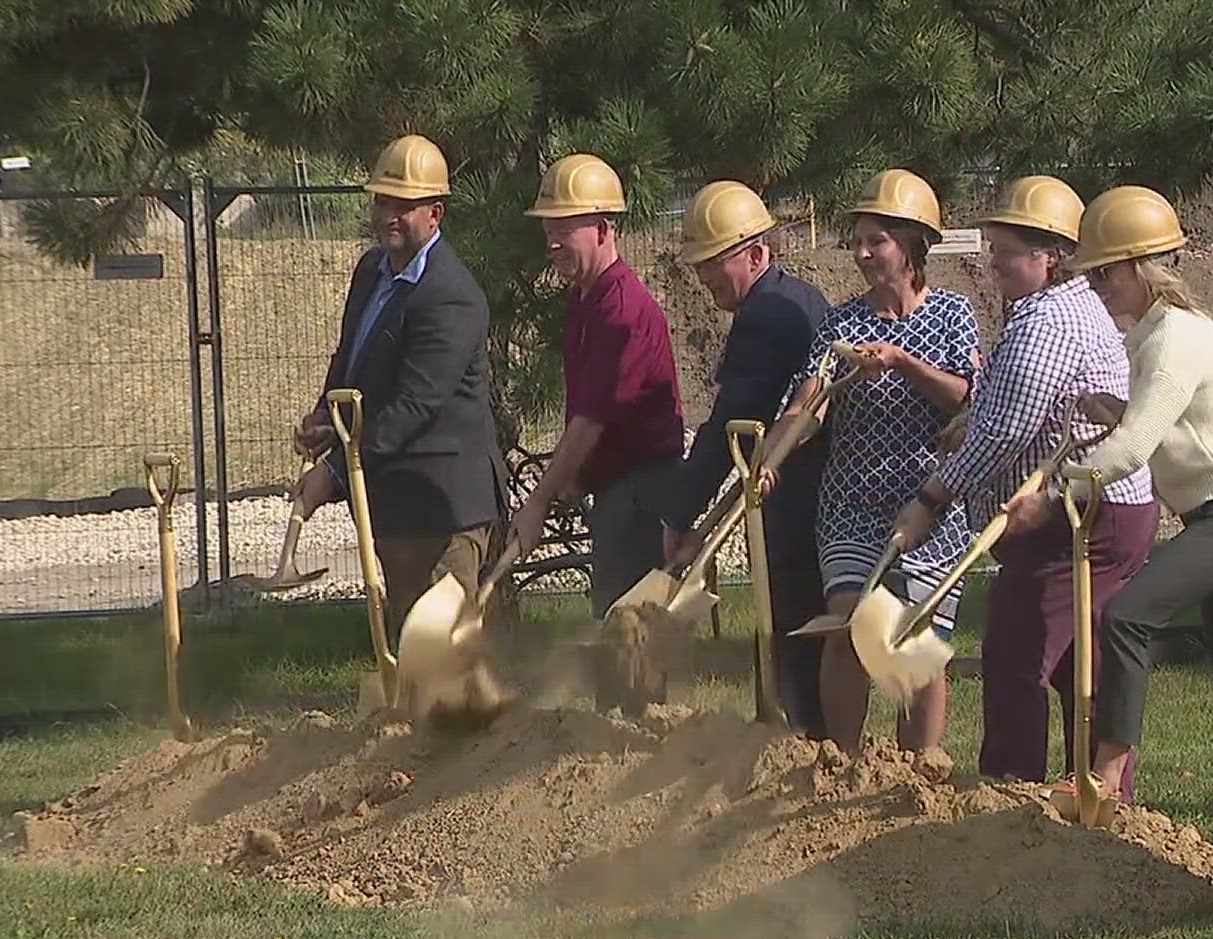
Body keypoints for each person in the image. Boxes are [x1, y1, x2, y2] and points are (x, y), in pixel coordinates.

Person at [890, 175, 1159, 801]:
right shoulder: (1049, 311)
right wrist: (971, 421)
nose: (994, 263)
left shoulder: (1050, 320)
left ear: (1051, 255)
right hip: (1095, 508)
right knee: (1074, 661)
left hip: (1079, 515)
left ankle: (1010, 795)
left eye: (1005, 250)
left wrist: (931, 498)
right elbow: (1010, 407)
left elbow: (1008, 431)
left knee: (1016, 653)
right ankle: (1098, 794)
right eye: (992, 248)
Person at [1028, 185, 1213, 849]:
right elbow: (1145, 421)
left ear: (1139, 267)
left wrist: (1049, 492)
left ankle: (1104, 774)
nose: (1098, 287)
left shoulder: (1174, 339)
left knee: (1127, 615)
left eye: (1104, 273)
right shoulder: (1154, 334)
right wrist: (1101, 405)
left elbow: (1132, 448)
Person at [768, 168, 978, 754]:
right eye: (856, 240)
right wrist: (774, 451)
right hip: (851, 505)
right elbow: (807, 401)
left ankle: (919, 773)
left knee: (920, 642)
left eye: (875, 241)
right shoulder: (841, 324)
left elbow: (968, 397)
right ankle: (844, 759)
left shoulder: (953, 316)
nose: (860, 254)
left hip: (931, 503)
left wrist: (903, 363)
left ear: (912, 245)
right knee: (847, 624)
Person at [291, 133, 503, 644]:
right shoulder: (371, 272)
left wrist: (334, 473)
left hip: (445, 509)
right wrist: (326, 417)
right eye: (382, 201)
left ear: (436, 213)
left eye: (404, 205)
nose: (388, 215)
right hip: (395, 502)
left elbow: (415, 407)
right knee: (409, 644)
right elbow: (350, 357)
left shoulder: (451, 298)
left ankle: (475, 724)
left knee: (443, 648)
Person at [664, 180, 832, 738]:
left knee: (795, 631)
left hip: (800, 498)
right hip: (812, 488)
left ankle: (804, 745)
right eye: (698, 264)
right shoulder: (797, 299)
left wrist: (680, 513)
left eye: (714, 262)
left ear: (756, 253)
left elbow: (731, 424)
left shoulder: (766, 318)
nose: (703, 275)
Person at [506, 152, 685, 623]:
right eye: (548, 231)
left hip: (642, 493)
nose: (552, 243)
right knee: (616, 623)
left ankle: (639, 701)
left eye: (565, 229)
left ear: (604, 229)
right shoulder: (585, 300)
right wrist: (574, 479)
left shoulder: (624, 311)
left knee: (629, 630)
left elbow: (591, 421)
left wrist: (538, 502)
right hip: (614, 488)